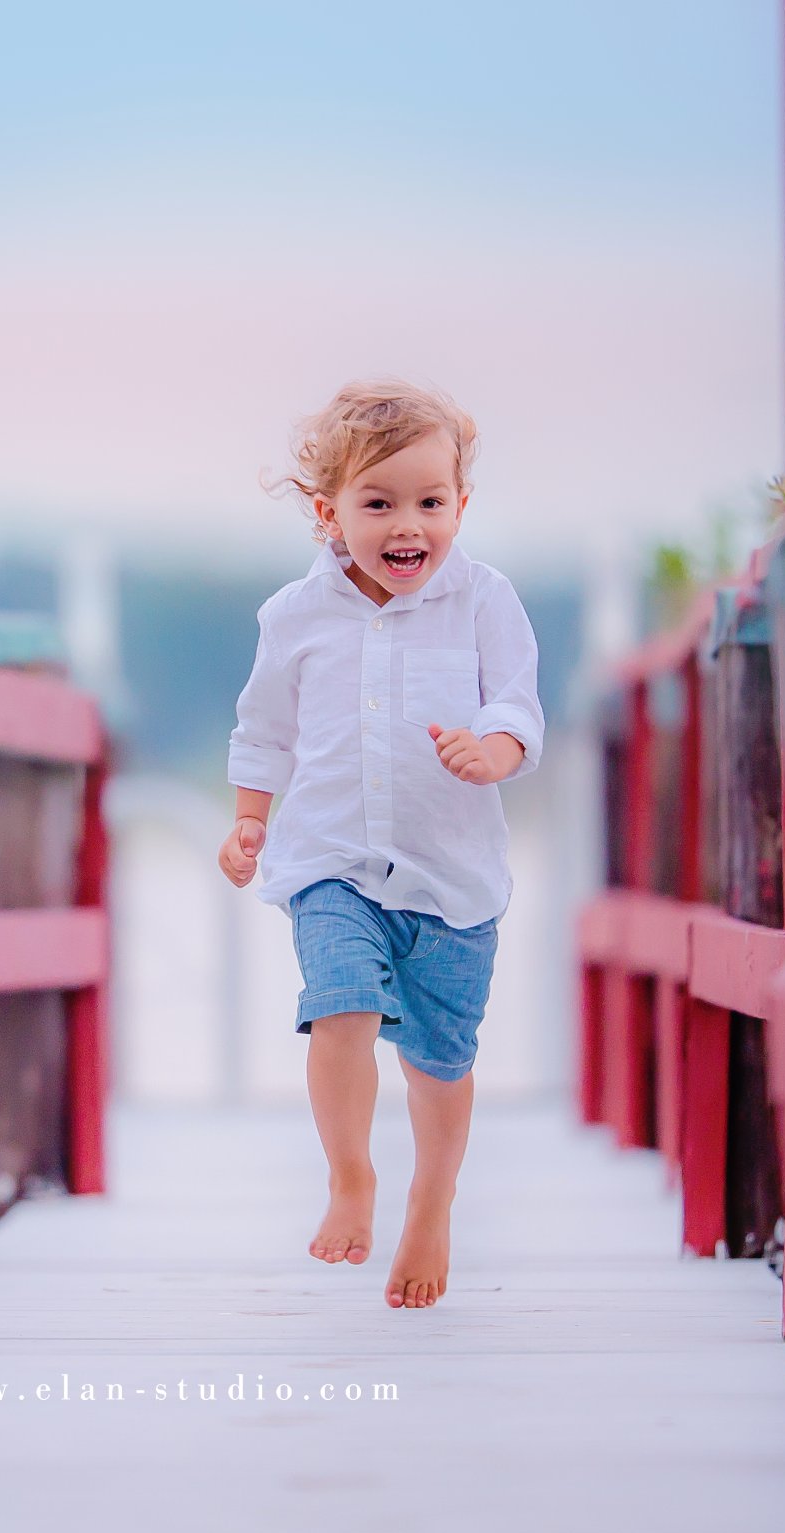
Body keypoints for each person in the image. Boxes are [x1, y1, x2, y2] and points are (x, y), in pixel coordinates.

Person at [218, 379, 544, 1309]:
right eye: (379, 503)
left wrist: (494, 748)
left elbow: (517, 701)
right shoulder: (292, 617)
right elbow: (262, 732)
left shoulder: (484, 601)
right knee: (340, 1007)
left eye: (430, 502)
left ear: (460, 505)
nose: (410, 524)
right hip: (329, 862)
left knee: (440, 1062)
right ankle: (350, 1176)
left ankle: (431, 1204)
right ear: (328, 515)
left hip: (452, 878)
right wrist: (250, 818)